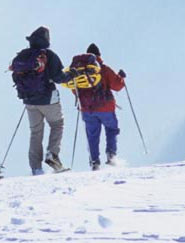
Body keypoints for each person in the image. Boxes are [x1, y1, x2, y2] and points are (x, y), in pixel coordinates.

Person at [10, 26, 73, 175]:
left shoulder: (23, 55)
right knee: (57, 124)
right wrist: (72, 74)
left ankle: (36, 168)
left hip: (29, 100)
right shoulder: (49, 55)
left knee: (35, 132)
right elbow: (59, 78)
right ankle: (52, 155)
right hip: (48, 98)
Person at [69, 43, 126, 171]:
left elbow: (75, 90)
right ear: (99, 56)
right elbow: (117, 86)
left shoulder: (78, 71)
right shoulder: (103, 69)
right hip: (105, 107)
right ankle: (111, 155)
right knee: (111, 129)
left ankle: (95, 162)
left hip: (87, 109)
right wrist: (121, 77)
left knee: (92, 135)